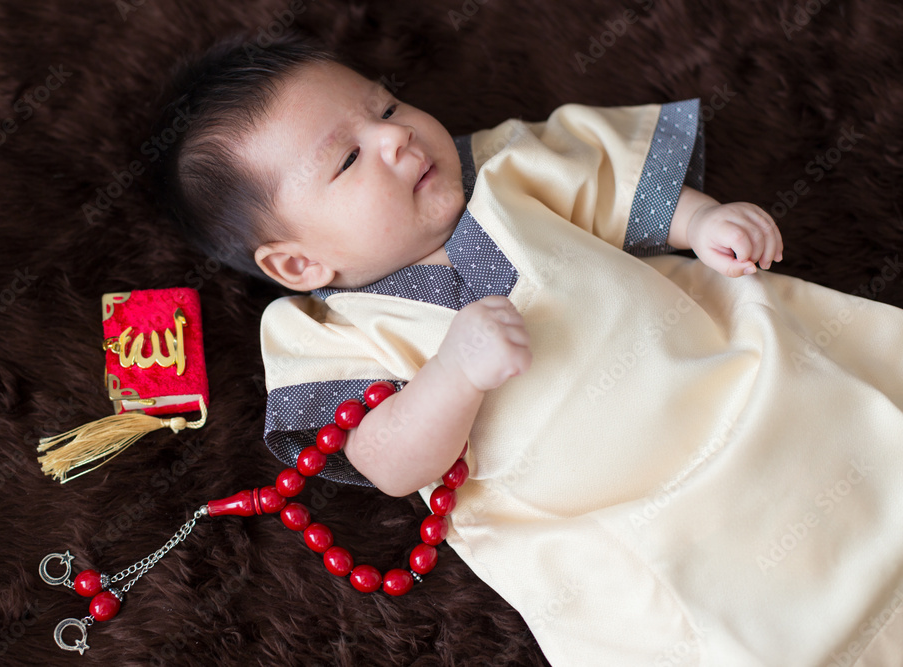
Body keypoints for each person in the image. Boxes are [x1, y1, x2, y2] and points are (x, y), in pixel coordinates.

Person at [153, 32, 903, 666]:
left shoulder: (507, 168)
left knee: (841, 437)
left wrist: (703, 223)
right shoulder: (326, 330)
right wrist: (452, 374)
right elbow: (388, 460)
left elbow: (616, 189)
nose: (396, 136)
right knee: (734, 619)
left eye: (385, 105)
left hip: (723, 378)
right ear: (298, 264)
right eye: (347, 159)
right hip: (607, 516)